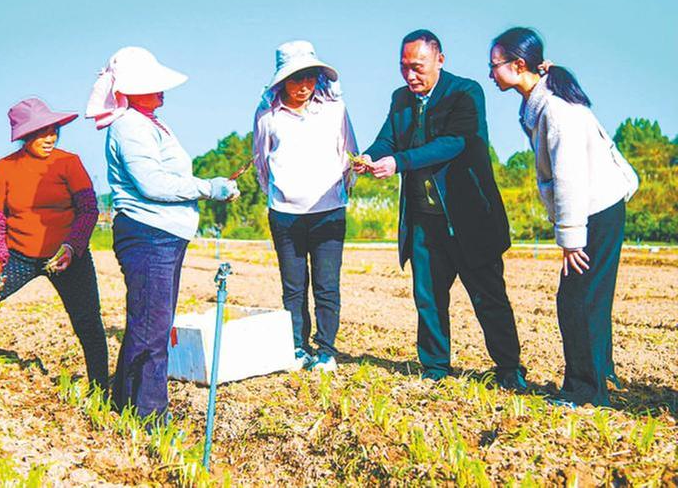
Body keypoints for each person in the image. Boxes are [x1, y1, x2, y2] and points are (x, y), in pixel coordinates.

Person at [353, 30, 526, 390]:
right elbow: (388, 137)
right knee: (428, 297)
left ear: (439, 60)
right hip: (424, 220)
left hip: (469, 219)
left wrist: (399, 162)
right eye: (404, 68)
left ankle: (509, 368)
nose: (410, 76)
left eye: (417, 67)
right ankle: (435, 367)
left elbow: (454, 144)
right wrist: (370, 156)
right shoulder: (400, 99)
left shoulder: (465, 92)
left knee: (488, 296)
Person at [86, 46, 239, 425]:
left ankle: (124, 401)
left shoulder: (148, 122)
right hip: (148, 234)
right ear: (130, 90)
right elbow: (152, 183)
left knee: (149, 323)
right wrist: (208, 188)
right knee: (153, 329)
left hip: (163, 235)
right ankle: (150, 417)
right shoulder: (130, 126)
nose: (161, 91)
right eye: (151, 86)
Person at [488, 27, 638, 407]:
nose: (490, 73)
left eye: (495, 65)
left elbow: (570, 175)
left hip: (594, 209)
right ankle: (601, 373)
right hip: (602, 207)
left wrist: (572, 238)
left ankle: (585, 392)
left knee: (576, 300)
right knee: (591, 297)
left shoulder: (555, 109)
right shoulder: (542, 101)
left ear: (519, 65)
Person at [0, 98, 108, 389]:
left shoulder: (68, 162)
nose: (50, 137)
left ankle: (100, 389)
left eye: (54, 131)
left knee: (88, 322)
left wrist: (72, 247)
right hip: (19, 257)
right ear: (24, 135)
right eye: (42, 132)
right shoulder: (3, 169)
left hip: (66, 257)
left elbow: (88, 210)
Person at [252, 40, 357, 373]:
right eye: (296, 80)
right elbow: (260, 161)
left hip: (328, 211)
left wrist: (342, 191)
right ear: (282, 82)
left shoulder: (334, 109)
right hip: (285, 215)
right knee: (293, 286)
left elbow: (349, 152)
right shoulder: (267, 115)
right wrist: (278, 193)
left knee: (327, 285)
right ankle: (298, 347)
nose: (304, 86)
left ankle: (326, 351)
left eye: (310, 78)